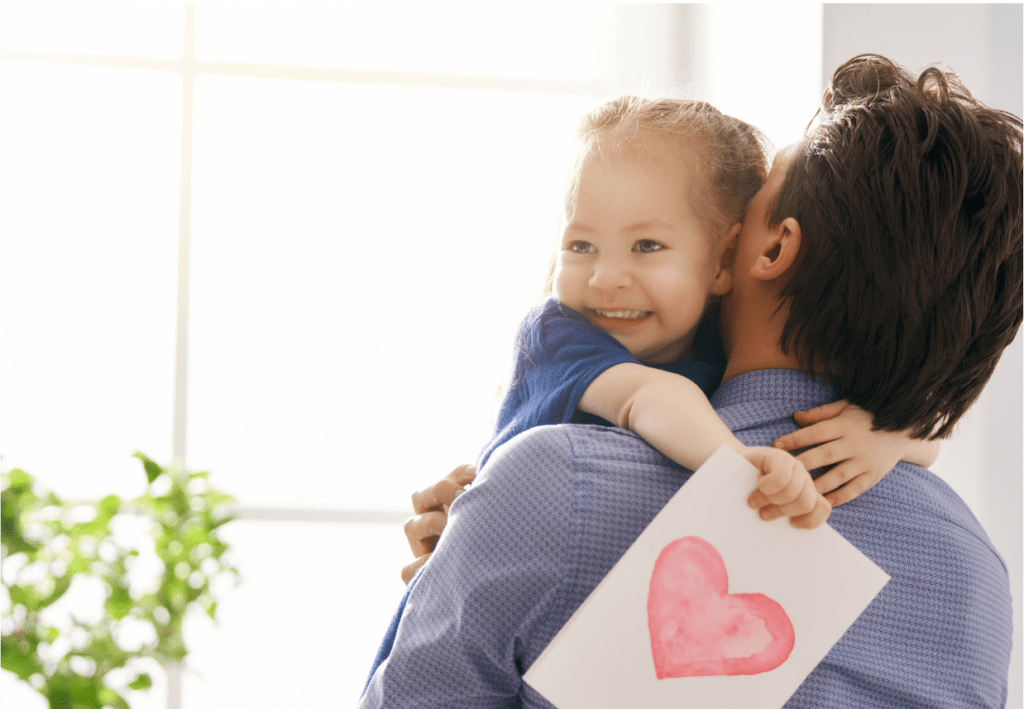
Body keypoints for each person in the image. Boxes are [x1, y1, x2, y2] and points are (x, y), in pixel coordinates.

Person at [360, 54, 1022, 707]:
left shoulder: (555, 488)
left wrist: (483, 538)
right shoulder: (975, 573)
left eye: (751, 201)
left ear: (768, 249)